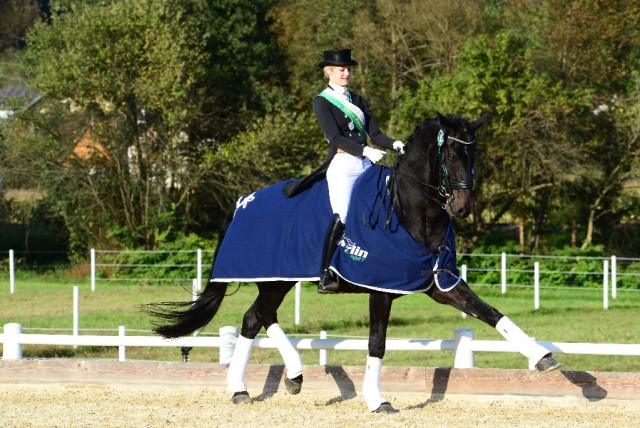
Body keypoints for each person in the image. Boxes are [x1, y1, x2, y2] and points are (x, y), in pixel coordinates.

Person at [314, 48, 405, 294]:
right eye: (341, 69)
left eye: (348, 69)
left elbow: (374, 135)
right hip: (343, 165)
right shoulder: (322, 101)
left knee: (387, 203)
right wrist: (364, 151)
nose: (346, 73)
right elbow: (334, 137)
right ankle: (325, 274)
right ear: (328, 71)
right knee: (342, 215)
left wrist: (396, 144)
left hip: (365, 163)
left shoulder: (359, 100)